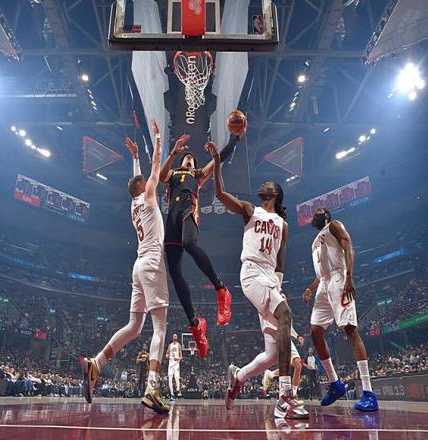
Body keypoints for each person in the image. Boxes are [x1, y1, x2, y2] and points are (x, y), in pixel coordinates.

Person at [206, 142, 308, 419]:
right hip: (251, 273)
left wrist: (278, 287)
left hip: (271, 279)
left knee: (272, 354)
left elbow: (281, 260)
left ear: (274, 193)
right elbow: (220, 194)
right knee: (285, 314)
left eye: (267, 184)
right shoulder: (251, 211)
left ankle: (238, 376)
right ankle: (285, 397)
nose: (262, 185)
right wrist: (217, 162)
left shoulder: (283, 225)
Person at [83, 120, 169, 414]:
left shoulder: (135, 203)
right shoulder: (148, 195)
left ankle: (97, 363)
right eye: (144, 180)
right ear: (142, 187)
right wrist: (157, 138)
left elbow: (137, 179)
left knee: (134, 327)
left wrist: (134, 157)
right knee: (160, 327)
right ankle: (152, 388)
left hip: (138, 265)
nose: (147, 180)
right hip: (152, 263)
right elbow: (156, 165)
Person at [159, 130, 244, 358]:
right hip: (172, 216)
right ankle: (196, 325)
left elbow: (221, 157)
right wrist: (173, 153)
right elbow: (161, 176)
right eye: (186, 157)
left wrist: (234, 138)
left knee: (189, 243)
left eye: (191, 158)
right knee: (174, 274)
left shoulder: (197, 175)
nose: (189, 158)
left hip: (189, 207)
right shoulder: (173, 172)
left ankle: (221, 288)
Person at [302, 207, 378, 411]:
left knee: (350, 329)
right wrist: (310, 289)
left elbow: (348, 246)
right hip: (324, 284)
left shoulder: (333, 226)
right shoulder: (314, 242)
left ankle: (369, 393)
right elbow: (320, 274)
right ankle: (335, 383)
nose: (314, 215)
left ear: (326, 215)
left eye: (318, 211)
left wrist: (349, 277)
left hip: (339, 277)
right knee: (315, 332)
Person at [263, 334, 305, 400]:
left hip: (284, 337)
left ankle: (271, 374)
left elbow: (289, 327)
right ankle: (293, 395)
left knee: (295, 365)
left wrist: (297, 336)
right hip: (280, 337)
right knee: (296, 365)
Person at [166, 333, 183, 400]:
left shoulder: (179, 345)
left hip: (176, 363)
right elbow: (167, 353)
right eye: (174, 336)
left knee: (176, 378)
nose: (175, 337)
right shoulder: (170, 345)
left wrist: (178, 359)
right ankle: (172, 394)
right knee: (170, 378)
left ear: (177, 337)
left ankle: (178, 390)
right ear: (172, 337)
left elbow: (181, 357)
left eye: (176, 336)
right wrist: (167, 355)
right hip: (171, 362)